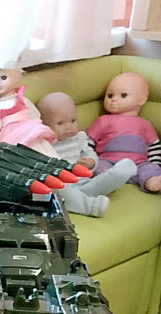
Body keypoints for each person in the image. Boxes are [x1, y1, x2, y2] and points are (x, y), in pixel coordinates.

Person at [35, 90, 134, 218]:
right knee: (53, 188)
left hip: (85, 183)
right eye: (60, 123)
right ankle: (89, 206)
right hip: (64, 187)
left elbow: (90, 153)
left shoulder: (79, 138)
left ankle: (118, 175)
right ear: (43, 124)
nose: (69, 127)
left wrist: (91, 162)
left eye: (73, 120)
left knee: (122, 168)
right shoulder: (44, 144)